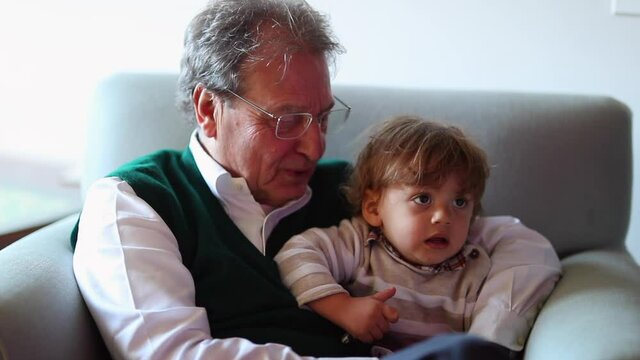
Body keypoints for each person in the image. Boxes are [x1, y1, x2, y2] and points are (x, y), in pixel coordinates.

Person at [71, 0, 561, 359]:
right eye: (286, 121)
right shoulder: (137, 204)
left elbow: (515, 243)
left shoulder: (354, 193)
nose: (315, 147)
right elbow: (170, 355)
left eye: (322, 118)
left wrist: (490, 334)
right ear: (208, 109)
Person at [276, 116, 534, 355]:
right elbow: (295, 255)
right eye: (423, 199)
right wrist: (343, 308)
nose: (443, 216)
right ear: (374, 208)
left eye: (459, 202)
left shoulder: (475, 268)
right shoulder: (361, 244)